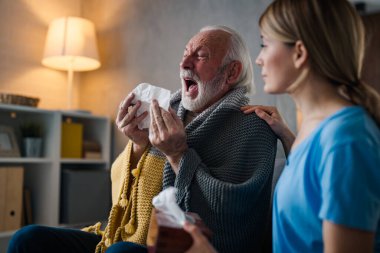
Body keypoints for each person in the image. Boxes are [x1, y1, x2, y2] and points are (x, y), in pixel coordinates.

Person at [7, 25, 277, 253]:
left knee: (121, 251)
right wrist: (138, 143)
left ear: (231, 72)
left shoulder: (251, 126)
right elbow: (119, 194)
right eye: (185, 54)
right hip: (129, 238)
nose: (184, 63)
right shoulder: (167, 109)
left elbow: (230, 216)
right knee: (27, 239)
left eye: (201, 56)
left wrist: (178, 154)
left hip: (180, 248)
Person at [184, 0, 380, 252]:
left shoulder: (347, 141)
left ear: (299, 53)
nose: (258, 59)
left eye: (265, 45)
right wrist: (289, 138)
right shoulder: (315, 130)